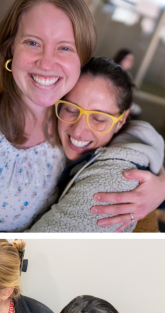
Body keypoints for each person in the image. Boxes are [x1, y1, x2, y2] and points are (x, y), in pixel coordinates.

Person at [0, 0, 165, 232]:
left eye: (65, 48)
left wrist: (160, 186)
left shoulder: (69, 112)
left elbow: (136, 137)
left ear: (81, 58)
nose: (47, 63)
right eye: (33, 42)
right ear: (11, 46)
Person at [28, 57, 164, 232]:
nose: (78, 131)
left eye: (98, 119)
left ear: (121, 120)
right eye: (70, 109)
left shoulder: (118, 178)